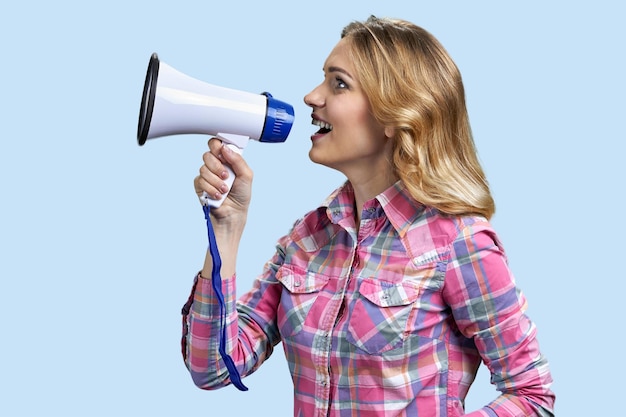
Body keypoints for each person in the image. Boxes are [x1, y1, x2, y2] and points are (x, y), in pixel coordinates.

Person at [182, 15, 555, 417]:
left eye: (338, 83)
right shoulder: (308, 238)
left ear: (395, 114)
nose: (311, 96)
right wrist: (227, 228)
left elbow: (531, 395)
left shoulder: (459, 243)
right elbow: (214, 367)